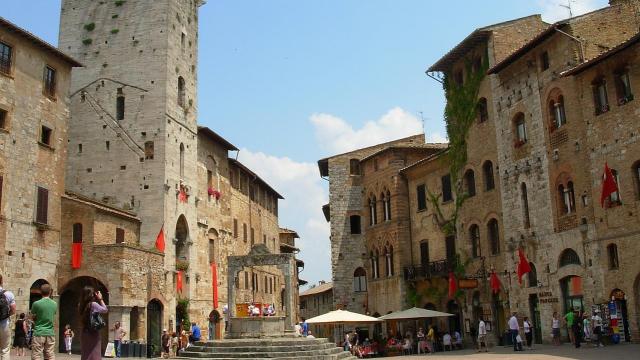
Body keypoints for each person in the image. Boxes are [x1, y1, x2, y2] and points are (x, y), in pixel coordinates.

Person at [78, 286, 108, 360]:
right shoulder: (93, 304)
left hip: (84, 332)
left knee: (86, 353)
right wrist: (100, 299)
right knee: (95, 353)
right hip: (93, 332)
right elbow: (105, 310)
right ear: (91, 295)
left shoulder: (80, 305)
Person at [31, 283, 57, 360]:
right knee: (50, 355)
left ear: (41, 292)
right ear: (50, 292)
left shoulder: (36, 304)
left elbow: (33, 316)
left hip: (39, 332)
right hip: (50, 332)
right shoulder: (54, 304)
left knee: (36, 355)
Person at [0, 274, 16, 360]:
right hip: (4, 324)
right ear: (1, 281)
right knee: (5, 350)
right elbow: (13, 310)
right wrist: (6, 315)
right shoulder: (8, 294)